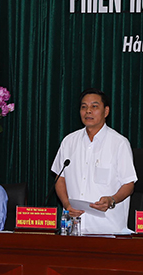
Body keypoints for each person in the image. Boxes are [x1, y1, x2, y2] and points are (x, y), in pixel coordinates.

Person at [51, 88, 137, 234]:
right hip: (74, 229)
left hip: (107, 230)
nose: (88, 111)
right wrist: (66, 204)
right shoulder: (69, 141)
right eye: (84, 107)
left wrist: (112, 200)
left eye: (94, 106)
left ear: (106, 111)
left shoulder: (119, 143)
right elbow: (60, 178)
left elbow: (129, 184)